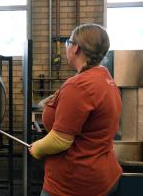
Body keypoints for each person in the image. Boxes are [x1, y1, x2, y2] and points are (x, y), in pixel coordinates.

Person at [29, 23, 122, 196]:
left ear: (76, 48)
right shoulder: (104, 77)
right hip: (103, 174)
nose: (66, 47)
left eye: (68, 42)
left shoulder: (79, 85)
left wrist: (37, 148)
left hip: (74, 184)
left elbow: (60, 140)